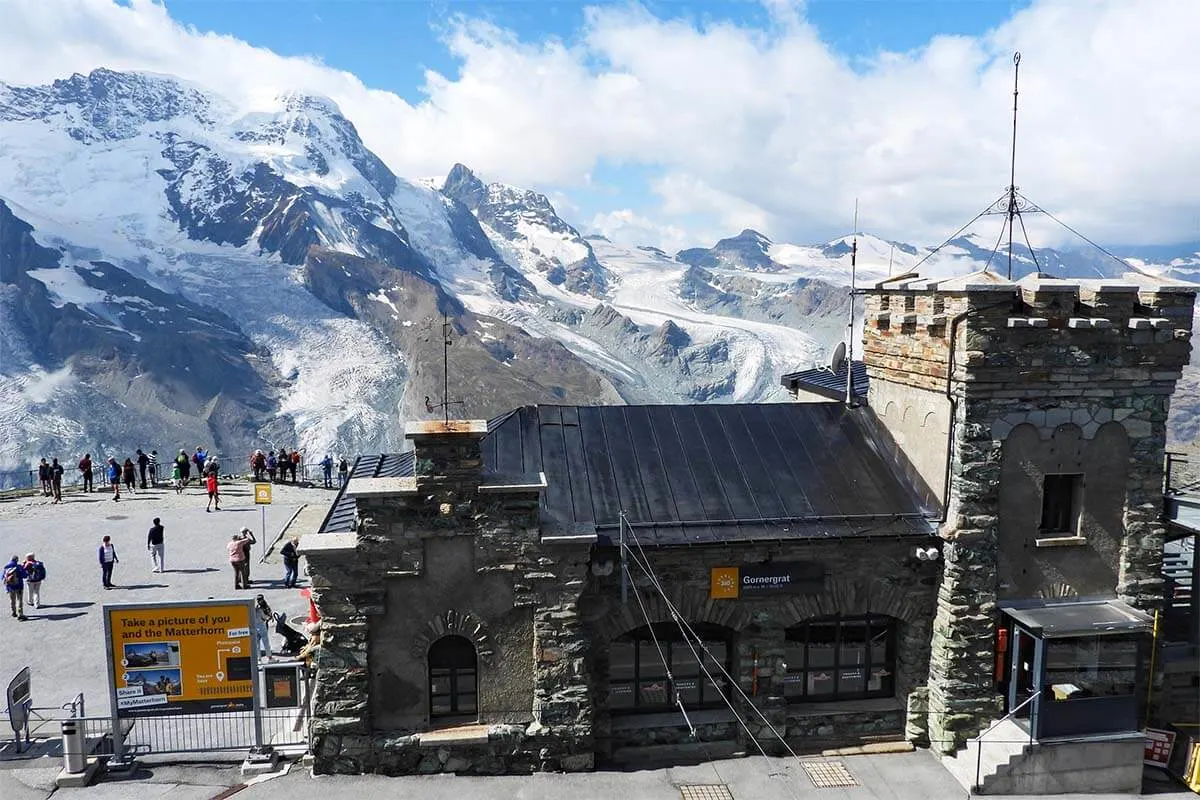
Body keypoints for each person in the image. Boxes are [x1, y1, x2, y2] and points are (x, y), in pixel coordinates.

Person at [3, 556, 27, 620]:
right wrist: (24, 567)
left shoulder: (6, 567)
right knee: (19, 600)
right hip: (19, 586)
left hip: (10, 587)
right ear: (17, 560)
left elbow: (3, 577)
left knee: (12, 600)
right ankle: (20, 614)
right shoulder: (18, 567)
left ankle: (13, 612)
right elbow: (25, 575)